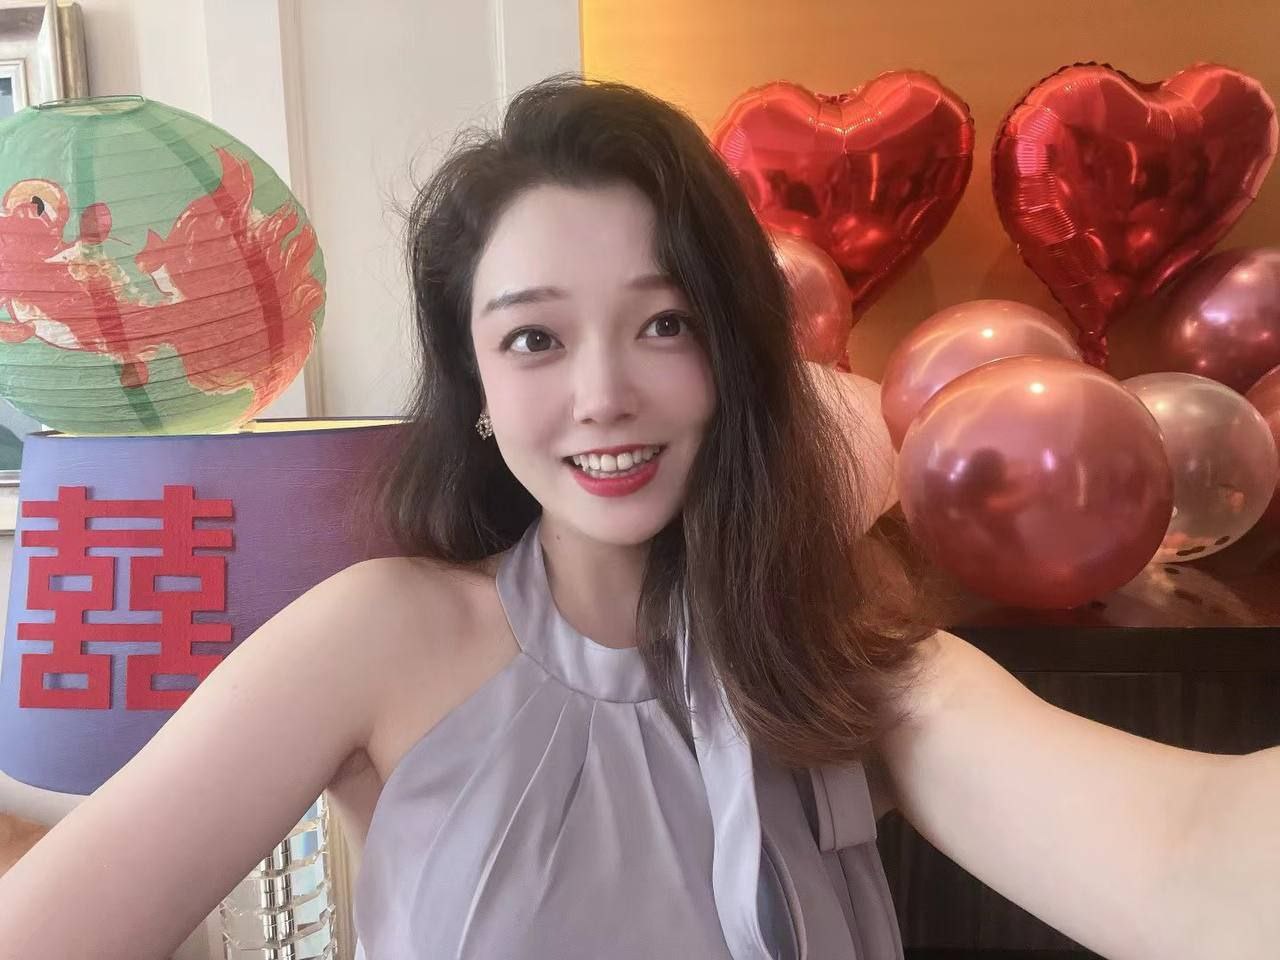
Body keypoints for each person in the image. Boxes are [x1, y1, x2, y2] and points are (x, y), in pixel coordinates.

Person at [0, 74, 1275, 960]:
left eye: (664, 323)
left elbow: (1189, 863)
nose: (604, 393)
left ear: (733, 355)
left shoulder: (849, 662)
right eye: (535, 338)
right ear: (476, 388)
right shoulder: (376, 636)